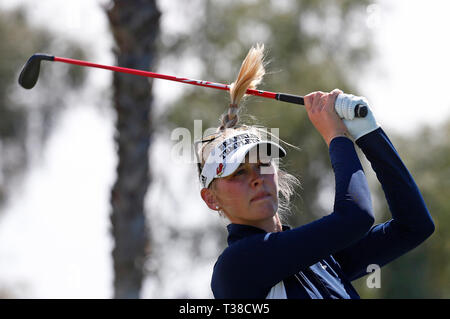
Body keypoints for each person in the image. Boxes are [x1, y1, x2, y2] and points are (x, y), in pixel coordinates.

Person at [195, 44, 435, 299]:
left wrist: (368, 132)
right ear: (211, 199)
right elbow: (356, 217)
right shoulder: (237, 266)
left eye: (262, 165)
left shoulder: (321, 262)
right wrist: (336, 137)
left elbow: (414, 226)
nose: (255, 179)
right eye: (238, 173)